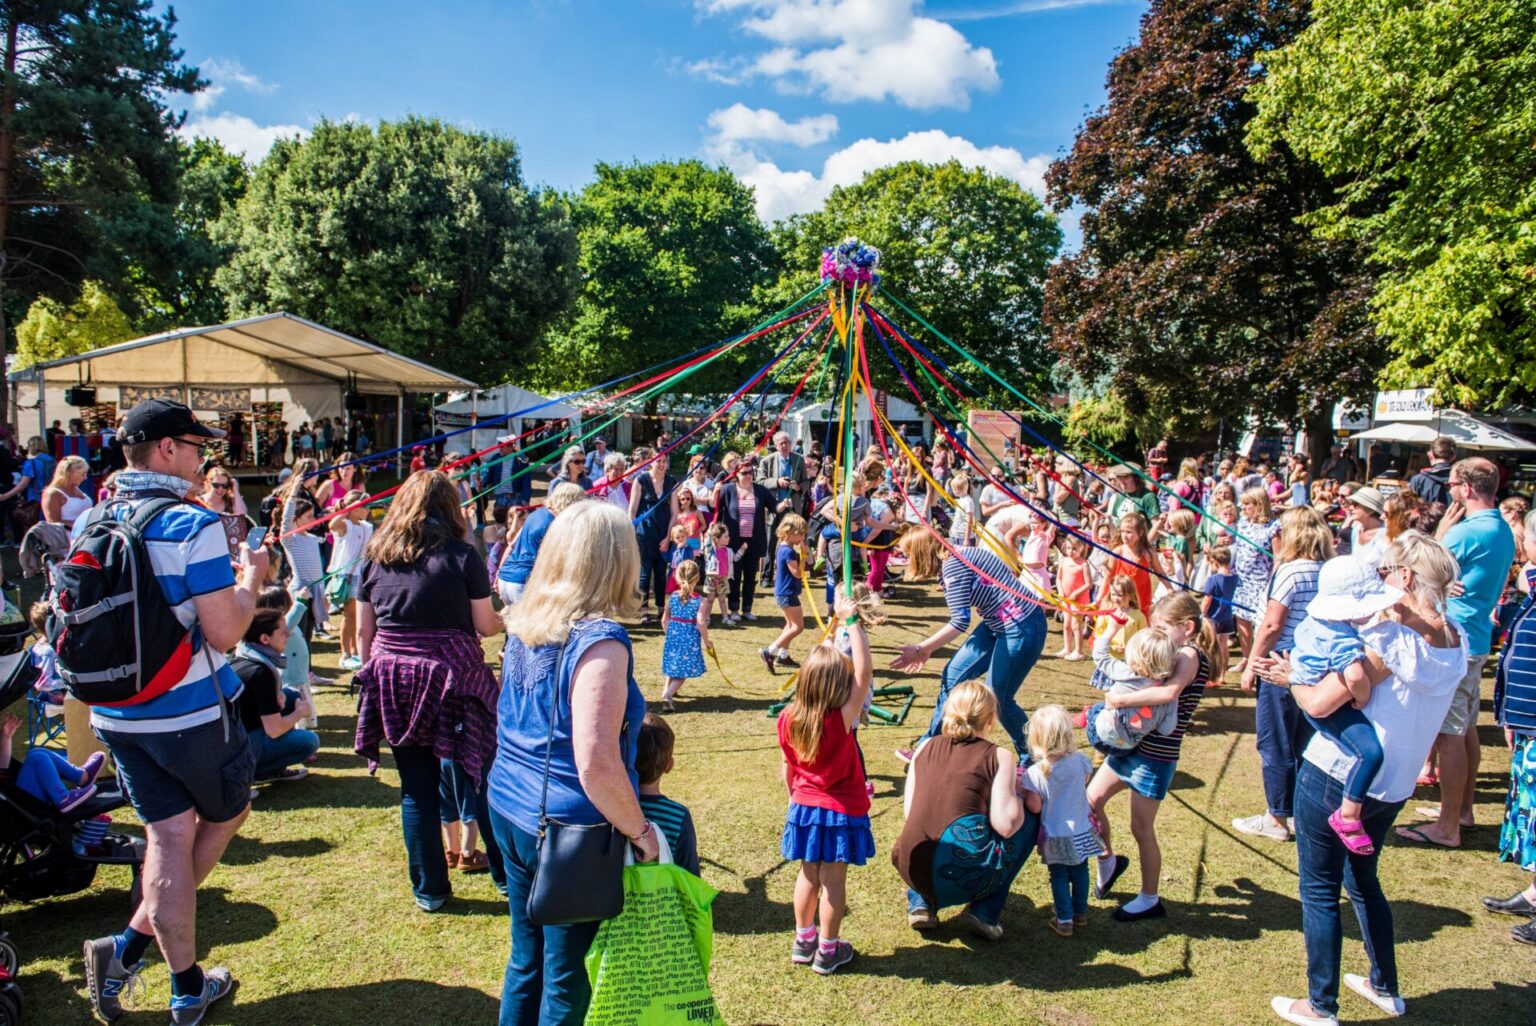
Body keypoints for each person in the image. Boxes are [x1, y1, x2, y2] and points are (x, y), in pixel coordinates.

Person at [81, 398, 267, 1025]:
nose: (201, 457)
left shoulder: (94, 517)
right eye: (194, 446)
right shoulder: (192, 525)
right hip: (185, 713)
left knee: (167, 834)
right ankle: (162, 972)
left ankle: (170, 974)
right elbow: (224, 632)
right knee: (227, 809)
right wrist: (253, 581)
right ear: (165, 449)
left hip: (116, 712)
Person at [1253, 531, 1466, 1025]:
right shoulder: (1457, 638)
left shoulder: (1390, 640)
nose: (1380, 579)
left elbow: (1321, 702)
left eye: (1386, 571)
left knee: (1320, 888)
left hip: (1336, 773)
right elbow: (1425, 640)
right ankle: (1383, 985)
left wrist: (1293, 680)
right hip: (1392, 784)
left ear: (1406, 577)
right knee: (1362, 880)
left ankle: (1320, 1005)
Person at [486, 501, 658, 1025]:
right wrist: (642, 830)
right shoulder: (600, 640)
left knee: (527, 958)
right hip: (567, 827)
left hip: (510, 805)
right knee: (565, 974)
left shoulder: (528, 620)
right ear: (616, 560)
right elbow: (596, 762)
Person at [352, 471, 505, 912]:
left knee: (416, 788)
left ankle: (431, 891)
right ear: (449, 508)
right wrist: (510, 618)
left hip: (394, 677)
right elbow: (484, 625)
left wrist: (375, 679)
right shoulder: (462, 556)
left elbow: (366, 634)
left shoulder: (375, 557)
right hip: (452, 680)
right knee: (481, 777)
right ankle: (506, 878)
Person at [1405, 457, 1516, 849]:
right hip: (1476, 637)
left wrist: (1440, 533)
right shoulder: (1501, 527)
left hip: (1454, 639)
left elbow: (1414, 566)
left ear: (1466, 488)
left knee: (1449, 732)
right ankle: (1461, 811)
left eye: (1451, 483)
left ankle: (1447, 825)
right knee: (1465, 728)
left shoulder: (1467, 532)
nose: (1448, 490)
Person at [1087, 591, 1216, 921]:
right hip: (1131, 747)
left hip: (1157, 755)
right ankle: (1107, 860)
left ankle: (1149, 897)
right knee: (1090, 801)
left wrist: (1118, 701)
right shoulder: (1172, 651)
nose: (1156, 633)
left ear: (1186, 627)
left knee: (1141, 827)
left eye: (1161, 627)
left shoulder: (1188, 655)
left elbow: (1169, 693)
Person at [778, 594, 875, 975]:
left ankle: (804, 940)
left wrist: (795, 799)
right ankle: (828, 949)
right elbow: (864, 673)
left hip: (803, 806)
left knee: (808, 874)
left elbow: (788, 768)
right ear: (839, 687)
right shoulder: (841, 719)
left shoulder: (787, 718)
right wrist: (852, 621)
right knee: (833, 883)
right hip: (839, 810)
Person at [893, 681, 1033, 940]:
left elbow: (909, 810)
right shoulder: (999, 755)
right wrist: (1019, 794)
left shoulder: (924, 746)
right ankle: (986, 911)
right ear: (992, 718)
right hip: (962, 871)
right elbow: (1007, 824)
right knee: (1032, 817)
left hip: (910, 865)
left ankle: (921, 900)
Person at [891, 531, 1047, 757]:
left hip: (1022, 626)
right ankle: (929, 746)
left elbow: (960, 621)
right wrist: (929, 649)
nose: (907, 561)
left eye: (909, 555)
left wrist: (920, 649)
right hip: (997, 624)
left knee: (999, 696)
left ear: (922, 553)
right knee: (953, 676)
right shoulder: (958, 555)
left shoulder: (953, 566)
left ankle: (1031, 757)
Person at [1233, 507, 1333, 842]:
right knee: (1304, 740)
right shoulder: (1327, 569)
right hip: (1315, 664)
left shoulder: (1292, 572)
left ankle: (1276, 817)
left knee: (1275, 741)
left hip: (1279, 664)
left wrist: (1251, 663)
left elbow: (1272, 624)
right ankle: (1303, 812)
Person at [1486, 507, 1536, 946]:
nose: (1522, 548)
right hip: (1526, 722)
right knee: (1529, 811)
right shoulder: (1532, 588)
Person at [1021, 705, 1102, 938]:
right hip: (1083, 829)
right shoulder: (1081, 761)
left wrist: (1025, 793)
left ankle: (1064, 919)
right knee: (1080, 871)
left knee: (1059, 875)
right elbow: (1085, 780)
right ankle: (1080, 913)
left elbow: (1035, 806)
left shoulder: (1035, 773)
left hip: (1056, 832)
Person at [231, 608, 319, 783]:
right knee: (309, 742)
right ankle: (254, 774)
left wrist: (278, 698)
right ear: (265, 639)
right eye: (283, 632)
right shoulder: (260, 672)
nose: (288, 635)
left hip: (238, 733)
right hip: (239, 745)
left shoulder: (242, 656)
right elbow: (274, 729)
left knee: (291, 695)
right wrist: (299, 714)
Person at [1080, 627, 1179, 752]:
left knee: (1097, 708)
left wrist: (1112, 627)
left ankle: (1088, 714)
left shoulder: (1125, 671)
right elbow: (1166, 729)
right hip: (1126, 746)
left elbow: (1099, 655)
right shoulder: (1167, 695)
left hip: (1100, 733)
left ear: (1133, 655)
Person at [495, 481, 585, 605]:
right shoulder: (555, 524)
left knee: (515, 623)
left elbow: (511, 545)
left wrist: (498, 573)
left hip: (505, 579)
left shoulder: (535, 514)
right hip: (524, 583)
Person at [0, 712, 106, 811]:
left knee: (37, 752)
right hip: (16, 809)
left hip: (14, 795)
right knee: (37, 758)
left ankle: (82, 777)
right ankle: (64, 799)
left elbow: (3, 770)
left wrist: (6, 736)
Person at [636, 714, 701, 876]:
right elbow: (689, 872)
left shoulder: (609, 809)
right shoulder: (678, 815)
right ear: (669, 765)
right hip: (663, 897)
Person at [716, 461, 775, 624]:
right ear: (736, 474)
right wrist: (714, 492)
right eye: (744, 473)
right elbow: (715, 507)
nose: (748, 475)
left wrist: (786, 503)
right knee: (734, 577)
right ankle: (734, 609)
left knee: (750, 576)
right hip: (733, 541)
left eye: (750, 472)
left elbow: (774, 507)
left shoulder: (760, 490)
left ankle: (747, 609)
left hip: (754, 541)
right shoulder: (728, 490)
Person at [1230, 488, 1279, 674]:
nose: (1243, 507)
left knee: (1260, 621)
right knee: (1241, 620)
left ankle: (1259, 658)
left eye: (1248, 504)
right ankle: (1245, 656)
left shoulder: (1273, 526)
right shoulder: (1243, 523)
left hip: (1261, 581)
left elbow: (1278, 557)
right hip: (1242, 580)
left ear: (1259, 505)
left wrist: (1272, 583)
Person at [628, 446, 676, 624]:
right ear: (651, 462)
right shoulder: (641, 480)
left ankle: (662, 609)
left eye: (665, 461)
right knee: (644, 573)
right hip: (644, 533)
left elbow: (674, 512)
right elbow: (632, 510)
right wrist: (632, 532)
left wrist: (668, 536)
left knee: (661, 573)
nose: (662, 464)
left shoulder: (671, 482)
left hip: (663, 534)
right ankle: (644, 610)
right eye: (658, 461)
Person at [328, 490, 373, 670]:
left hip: (360, 574)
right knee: (349, 614)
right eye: (365, 506)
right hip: (346, 575)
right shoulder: (345, 525)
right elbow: (332, 525)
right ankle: (345, 653)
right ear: (355, 509)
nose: (369, 509)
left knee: (357, 616)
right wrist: (347, 509)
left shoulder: (366, 527)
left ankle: (355, 651)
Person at [659, 560, 711, 711]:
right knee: (682, 672)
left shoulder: (673, 597)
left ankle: (666, 691)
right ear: (697, 578)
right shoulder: (700, 600)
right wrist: (707, 641)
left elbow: (664, 619)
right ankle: (668, 695)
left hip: (672, 638)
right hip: (689, 639)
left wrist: (670, 634)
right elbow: (701, 622)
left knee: (673, 667)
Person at [760, 430, 810, 587]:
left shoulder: (798, 459)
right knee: (770, 542)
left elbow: (806, 482)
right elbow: (760, 482)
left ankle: (795, 573)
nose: (784, 446)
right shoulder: (767, 461)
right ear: (775, 445)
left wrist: (798, 487)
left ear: (791, 444)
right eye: (781, 443)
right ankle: (767, 576)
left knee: (795, 540)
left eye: (787, 443)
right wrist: (777, 482)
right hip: (774, 508)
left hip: (792, 509)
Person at [762, 514, 807, 673]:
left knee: (789, 626)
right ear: (790, 532)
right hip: (787, 593)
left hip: (783, 592)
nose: (802, 537)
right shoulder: (788, 551)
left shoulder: (782, 547)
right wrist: (804, 556)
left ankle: (783, 655)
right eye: (800, 534)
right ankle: (770, 651)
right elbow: (797, 573)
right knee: (798, 627)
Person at [1200, 545, 1238, 680]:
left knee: (1212, 648)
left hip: (1213, 618)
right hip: (1227, 617)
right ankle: (1222, 676)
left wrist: (1201, 615)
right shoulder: (1235, 578)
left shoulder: (1213, 579)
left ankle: (1212, 676)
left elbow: (1206, 600)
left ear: (1214, 562)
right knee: (1223, 647)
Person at [1057, 536, 1093, 661]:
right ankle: (1067, 648)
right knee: (1066, 624)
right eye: (1068, 548)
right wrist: (1061, 592)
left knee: (1075, 625)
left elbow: (1089, 584)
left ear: (1082, 548)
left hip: (1079, 600)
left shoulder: (1083, 564)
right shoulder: (1064, 562)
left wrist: (1076, 593)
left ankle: (1078, 651)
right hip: (1066, 599)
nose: (1071, 551)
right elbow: (1058, 579)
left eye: (1074, 549)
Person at [41, 455, 94, 528]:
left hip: (86, 535)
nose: (85, 477)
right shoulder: (52, 493)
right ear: (70, 472)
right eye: (83, 473)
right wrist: (81, 525)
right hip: (66, 537)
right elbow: (53, 522)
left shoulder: (77, 489)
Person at [1408, 436, 1456, 506]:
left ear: (1430, 454)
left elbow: (1409, 508)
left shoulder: (1418, 480)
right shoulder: (1461, 480)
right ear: (1453, 456)